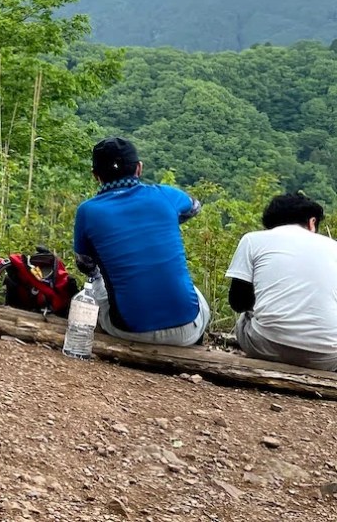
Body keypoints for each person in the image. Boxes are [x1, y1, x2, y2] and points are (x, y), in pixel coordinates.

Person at [73, 136, 210, 346]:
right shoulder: (165, 195)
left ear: (95, 176)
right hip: (187, 329)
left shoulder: (87, 211)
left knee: (88, 292)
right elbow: (195, 207)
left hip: (127, 330)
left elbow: (85, 263)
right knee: (190, 289)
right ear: (139, 168)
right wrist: (168, 220)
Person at [225, 193, 337, 371]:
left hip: (265, 346)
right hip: (327, 358)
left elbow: (238, 302)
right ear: (312, 222)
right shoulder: (333, 247)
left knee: (245, 318)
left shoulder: (252, 240)